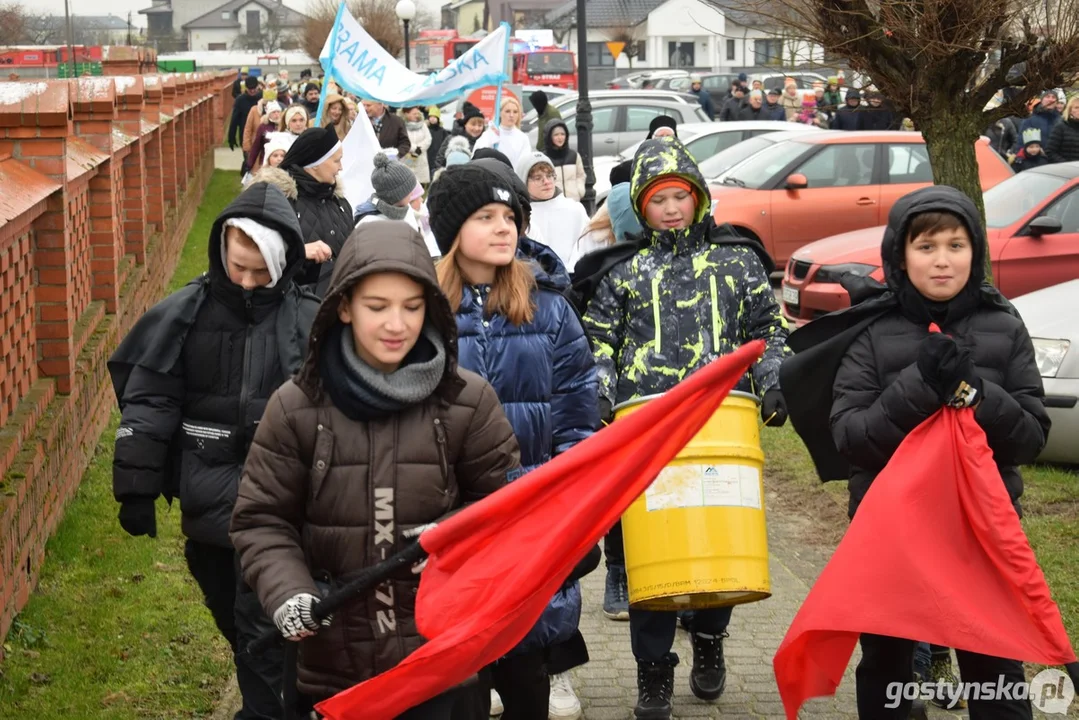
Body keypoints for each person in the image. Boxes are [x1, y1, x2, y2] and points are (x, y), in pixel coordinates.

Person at [230, 221, 522, 720]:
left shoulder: (467, 402)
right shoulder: (297, 406)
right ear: (343, 307)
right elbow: (261, 520)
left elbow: (509, 509)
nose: (397, 325)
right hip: (332, 671)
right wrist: (289, 592)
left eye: (412, 307)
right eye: (377, 306)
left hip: (441, 666)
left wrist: (458, 537)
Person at [575, 136, 790, 720]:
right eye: (658, 199)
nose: (671, 208)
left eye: (680, 196)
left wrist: (773, 379)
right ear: (641, 207)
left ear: (698, 198)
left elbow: (768, 330)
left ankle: (712, 639)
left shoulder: (738, 262)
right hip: (648, 432)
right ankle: (652, 673)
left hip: (723, 427)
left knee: (718, 542)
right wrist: (598, 393)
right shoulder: (624, 272)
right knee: (655, 553)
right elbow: (597, 343)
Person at [825, 185, 1049, 719]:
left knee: (997, 674)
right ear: (900, 255)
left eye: (956, 245)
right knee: (888, 672)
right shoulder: (871, 330)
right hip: (892, 533)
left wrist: (973, 390)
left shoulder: (1004, 323)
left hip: (981, 532)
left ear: (976, 251)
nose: (943, 260)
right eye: (926, 247)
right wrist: (921, 383)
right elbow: (853, 437)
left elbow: (1029, 437)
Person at [110, 181, 320, 720]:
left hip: (279, 508)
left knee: (264, 628)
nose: (248, 283)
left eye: (261, 272)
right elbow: (151, 399)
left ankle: (267, 708)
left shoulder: (307, 320)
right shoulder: (187, 313)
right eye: (238, 267)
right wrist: (136, 486)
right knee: (232, 618)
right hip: (209, 503)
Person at [428, 162, 599, 720]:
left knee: (528, 676)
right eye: (486, 217)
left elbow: (577, 423)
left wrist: (569, 512)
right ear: (452, 230)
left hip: (531, 521)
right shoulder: (424, 313)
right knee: (461, 685)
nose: (504, 228)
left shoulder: (550, 310)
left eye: (511, 216)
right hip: (453, 526)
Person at [253, 127, 352, 297]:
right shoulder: (278, 202)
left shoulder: (340, 203)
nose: (341, 167)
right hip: (291, 309)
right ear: (315, 165)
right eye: (337, 161)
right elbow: (252, 258)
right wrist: (299, 252)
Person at [516, 152, 590, 269]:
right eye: (538, 178)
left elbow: (587, 246)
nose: (546, 182)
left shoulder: (575, 209)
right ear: (523, 182)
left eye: (549, 175)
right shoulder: (520, 215)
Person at [354, 152, 421, 227]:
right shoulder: (369, 223)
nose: (412, 193)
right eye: (408, 190)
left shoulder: (404, 209)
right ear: (396, 196)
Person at [475, 95, 533, 168]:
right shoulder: (490, 134)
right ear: (500, 113)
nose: (511, 115)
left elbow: (525, 163)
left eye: (515, 112)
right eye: (507, 111)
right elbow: (478, 155)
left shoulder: (523, 138)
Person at [544, 120, 585, 201]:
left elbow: (580, 175)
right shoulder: (545, 158)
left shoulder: (574, 155)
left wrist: (580, 191)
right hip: (554, 201)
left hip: (573, 200)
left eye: (563, 134)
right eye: (556, 135)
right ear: (549, 137)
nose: (560, 138)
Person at [437, 104, 486, 168]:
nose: (476, 128)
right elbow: (439, 162)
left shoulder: (485, 141)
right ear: (465, 124)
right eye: (473, 124)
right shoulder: (452, 139)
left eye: (480, 125)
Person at [229, 77, 262, 168]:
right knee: (249, 161)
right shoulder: (240, 100)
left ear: (258, 87)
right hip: (245, 134)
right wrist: (231, 137)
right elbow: (234, 119)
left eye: (254, 88)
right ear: (246, 88)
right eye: (250, 89)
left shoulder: (262, 98)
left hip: (260, 134)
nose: (252, 91)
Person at [246, 101, 283, 174]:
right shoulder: (263, 127)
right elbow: (256, 146)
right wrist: (249, 164)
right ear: (269, 114)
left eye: (278, 112)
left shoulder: (283, 126)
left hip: (281, 160)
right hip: (266, 161)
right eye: (273, 112)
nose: (276, 114)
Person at [403, 106, 434, 187]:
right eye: (414, 114)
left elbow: (428, 139)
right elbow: (402, 139)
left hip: (421, 157)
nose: (416, 115)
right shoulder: (402, 126)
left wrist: (419, 149)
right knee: (407, 182)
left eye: (417, 113)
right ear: (407, 114)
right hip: (407, 157)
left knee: (420, 185)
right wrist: (414, 148)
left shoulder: (423, 125)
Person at [1046, 95, 1079, 163]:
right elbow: (1050, 152)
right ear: (1070, 110)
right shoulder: (1061, 127)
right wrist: (1067, 165)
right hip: (1064, 169)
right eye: (1076, 107)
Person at [427, 105, 450, 178]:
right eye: (431, 117)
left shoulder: (442, 131)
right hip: (428, 156)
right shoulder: (426, 129)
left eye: (434, 117)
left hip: (438, 157)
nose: (432, 119)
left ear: (438, 118)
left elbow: (446, 144)